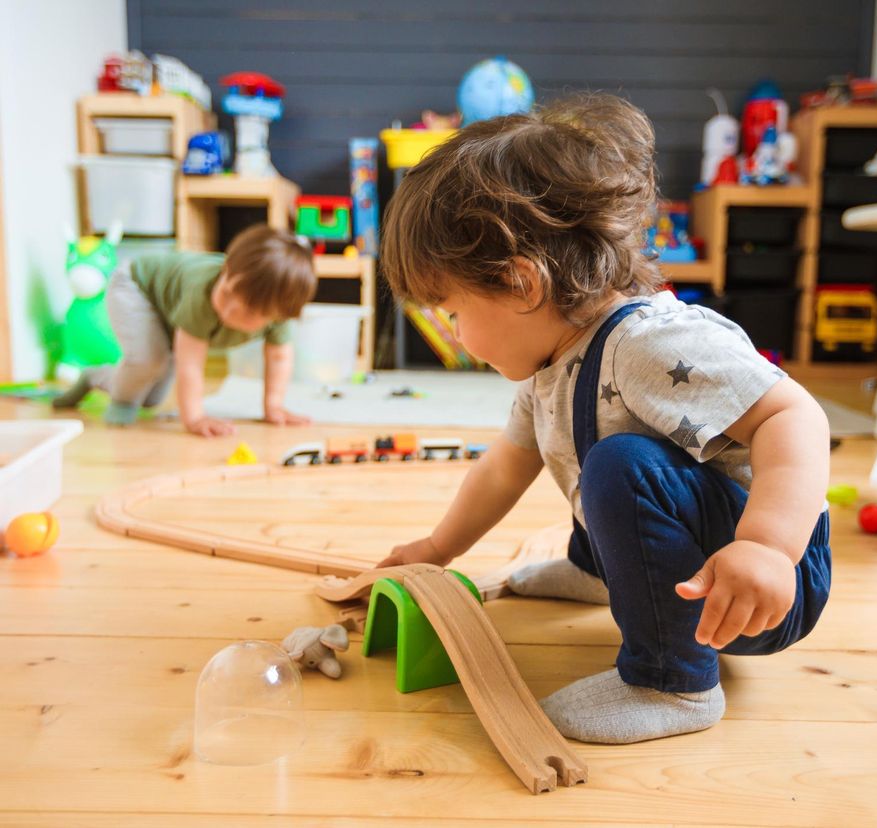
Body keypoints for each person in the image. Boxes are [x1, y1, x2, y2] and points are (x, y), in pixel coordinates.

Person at [376, 95, 832, 744]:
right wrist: (437, 550)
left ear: (521, 283)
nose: (452, 334)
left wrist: (766, 546)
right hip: (706, 566)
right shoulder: (550, 360)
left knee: (619, 463)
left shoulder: (649, 343)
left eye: (451, 310)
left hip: (760, 583)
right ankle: (601, 574)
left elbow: (796, 414)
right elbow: (505, 467)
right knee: (583, 443)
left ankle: (673, 683)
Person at [54, 224, 317, 437]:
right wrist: (194, 418)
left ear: (276, 316)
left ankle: (94, 377)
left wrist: (273, 406)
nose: (226, 310)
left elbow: (279, 357)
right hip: (136, 287)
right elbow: (190, 363)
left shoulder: (277, 312)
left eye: (246, 311)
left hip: (170, 312)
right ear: (226, 268)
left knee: (150, 399)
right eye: (226, 292)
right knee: (149, 363)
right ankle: (121, 402)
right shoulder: (201, 292)